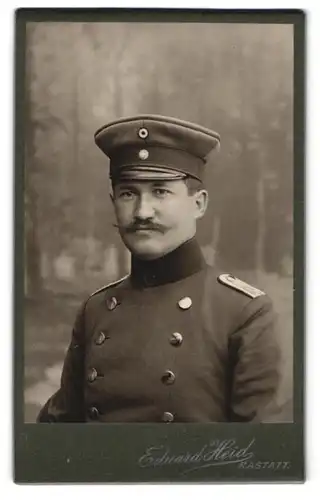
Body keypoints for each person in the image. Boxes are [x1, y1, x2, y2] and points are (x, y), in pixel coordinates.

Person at [37, 114, 281, 423]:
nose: (142, 212)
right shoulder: (95, 310)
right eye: (128, 193)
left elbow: (262, 455)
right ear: (113, 201)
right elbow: (55, 437)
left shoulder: (243, 313)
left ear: (199, 204)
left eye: (160, 191)